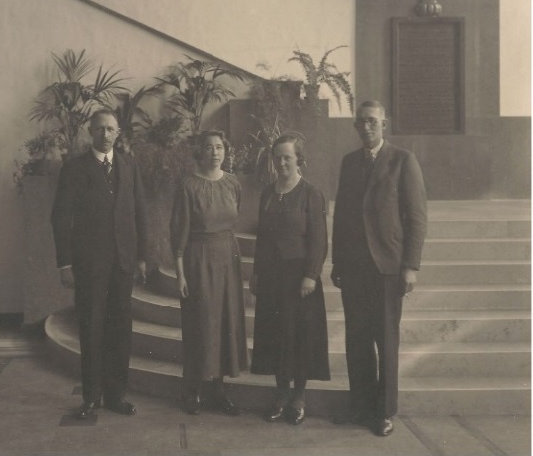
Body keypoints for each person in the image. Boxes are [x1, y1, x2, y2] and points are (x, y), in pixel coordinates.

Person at [330, 100, 427, 436]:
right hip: (354, 268)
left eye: (372, 121)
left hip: (387, 266)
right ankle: (360, 406)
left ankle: (384, 412)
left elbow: (416, 218)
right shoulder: (349, 162)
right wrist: (338, 262)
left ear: (385, 124)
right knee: (356, 339)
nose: (366, 127)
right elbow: (342, 216)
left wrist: (410, 266)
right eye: (361, 122)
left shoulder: (403, 161)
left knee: (385, 340)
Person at [51, 109, 147, 421]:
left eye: (110, 129)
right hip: (89, 264)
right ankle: (91, 397)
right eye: (99, 129)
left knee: (121, 329)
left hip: (122, 262)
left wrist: (141, 256)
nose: (105, 135)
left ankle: (116, 395)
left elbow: (139, 214)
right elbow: (61, 217)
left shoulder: (129, 166)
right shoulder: (74, 169)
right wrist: (65, 263)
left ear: (118, 133)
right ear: (90, 132)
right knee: (91, 328)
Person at [249, 133, 330, 426]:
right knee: (275, 336)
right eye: (278, 157)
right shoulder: (269, 193)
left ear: (299, 160)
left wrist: (311, 275)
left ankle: (298, 398)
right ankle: (281, 395)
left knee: (299, 337)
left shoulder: (311, 193)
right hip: (271, 277)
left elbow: (319, 241)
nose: (282, 162)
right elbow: (261, 239)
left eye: (288, 157)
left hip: (300, 278)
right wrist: (256, 273)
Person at [170, 130, 249, 416]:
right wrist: (180, 273)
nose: (214, 152)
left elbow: (232, 219)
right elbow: (179, 232)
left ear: (225, 151)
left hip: (228, 258)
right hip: (198, 260)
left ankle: (218, 390)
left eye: (219, 147)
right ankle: (191, 390)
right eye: (208, 147)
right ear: (199, 153)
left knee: (225, 323)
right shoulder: (188, 185)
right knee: (200, 325)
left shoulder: (232, 183)